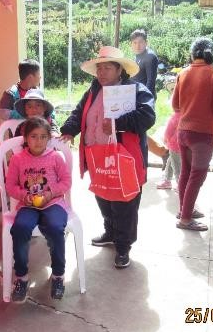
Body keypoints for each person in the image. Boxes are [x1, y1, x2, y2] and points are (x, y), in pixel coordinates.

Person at [60, 46, 155, 268]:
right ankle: (110, 232)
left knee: (124, 203)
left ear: (119, 70)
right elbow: (79, 113)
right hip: (97, 156)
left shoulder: (135, 90)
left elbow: (147, 116)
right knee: (103, 196)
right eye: (99, 69)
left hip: (124, 158)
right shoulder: (93, 90)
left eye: (107, 68)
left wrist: (117, 123)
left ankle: (123, 246)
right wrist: (69, 130)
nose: (101, 73)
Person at [6, 117, 71, 302]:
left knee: (55, 228)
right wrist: (24, 196)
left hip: (53, 203)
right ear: (26, 138)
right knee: (20, 228)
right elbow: (11, 185)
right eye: (34, 136)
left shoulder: (56, 157)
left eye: (43, 136)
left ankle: (58, 275)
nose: (38, 141)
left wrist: (50, 194)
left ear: (48, 138)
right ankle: (21, 277)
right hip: (28, 205)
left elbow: (66, 181)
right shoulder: (17, 159)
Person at [173, 38, 213, 231]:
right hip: (202, 135)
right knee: (197, 176)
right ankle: (186, 219)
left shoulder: (183, 73)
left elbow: (175, 105)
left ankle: (184, 210)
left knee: (186, 173)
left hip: (183, 132)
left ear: (192, 53)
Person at [129, 29, 169, 167]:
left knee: (138, 131)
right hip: (134, 99)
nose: (138, 45)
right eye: (135, 42)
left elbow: (150, 82)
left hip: (144, 101)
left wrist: (145, 104)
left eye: (140, 42)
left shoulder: (150, 57)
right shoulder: (138, 56)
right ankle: (163, 153)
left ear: (146, 43)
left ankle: (161, 153)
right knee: (136, 131)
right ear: (131, 44)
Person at [157, 110, 181, 190]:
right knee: (171, 161)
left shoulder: (177, 115)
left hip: (176, 145)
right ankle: (167, 180)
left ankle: (180, 185)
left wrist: (166, 139)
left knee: (176, 166)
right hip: (187, 145)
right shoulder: (192, 113)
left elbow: (168, 131)